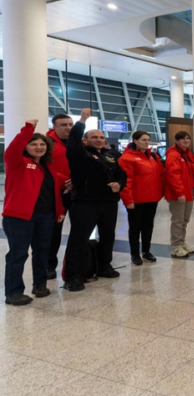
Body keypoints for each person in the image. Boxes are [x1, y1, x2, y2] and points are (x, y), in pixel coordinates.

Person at [63, 109, 127, 292]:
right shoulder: (79, 154)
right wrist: (82, 121)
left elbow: (123, 176)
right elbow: (73, 141)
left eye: (101, 137)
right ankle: (72, 276)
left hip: (109, 203)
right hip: (86, 202)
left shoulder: (111, 156)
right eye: (94, 137)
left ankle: (104, 265)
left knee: (108, 235)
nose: (98, 140)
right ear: (85, 140)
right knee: (79, 238)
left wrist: (119, 185)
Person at [3, 120, 65, 305]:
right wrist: (27, 128)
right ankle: (13, 293)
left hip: (45, 216)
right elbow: (11, 150)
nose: (39, 147)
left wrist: (59, 210)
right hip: (19, 217)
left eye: (42, 144)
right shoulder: (18, 163)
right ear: (26, 147)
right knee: (18, 254)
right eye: (33, 144)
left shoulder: (48, 167)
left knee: (42, 251)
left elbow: (53, 191)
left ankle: (40, 286)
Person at [119, 131, 165, 266]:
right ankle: (135, 254)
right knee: (135, 227)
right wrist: (128, 200)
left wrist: (160, 193)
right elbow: (126, 181)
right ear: (135, 140)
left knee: (148, 226)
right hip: (136, 200)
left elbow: (160, 176)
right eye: (143, 140)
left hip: (152, 198)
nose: (147, 142)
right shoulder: (127, 158)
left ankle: (146, 251)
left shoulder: (152, 157)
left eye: (148, 140)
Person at [46, 114, 73, 279]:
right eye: (64, 125)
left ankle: (74, 265)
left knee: (79, 229)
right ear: (54, 126)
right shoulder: (47, 143)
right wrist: (65, 181)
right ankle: (49, 265)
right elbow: (44, 167)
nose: (68, 127)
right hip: (55, 193)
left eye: (70, 124)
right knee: (53, 232)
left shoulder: (76, 141)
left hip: (75, 192)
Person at [165, 131, 194, 257]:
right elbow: (173, 175)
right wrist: (179, 193)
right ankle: (176, 245)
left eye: (188, 138)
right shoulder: (173, 155)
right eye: (183, 139)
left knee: (185, 220)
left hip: (188, 192)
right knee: (178, 220)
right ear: (177, 141)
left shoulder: (189, 154)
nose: (186, 141)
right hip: (177, 194)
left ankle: (182, 242)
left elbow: (192, 175)